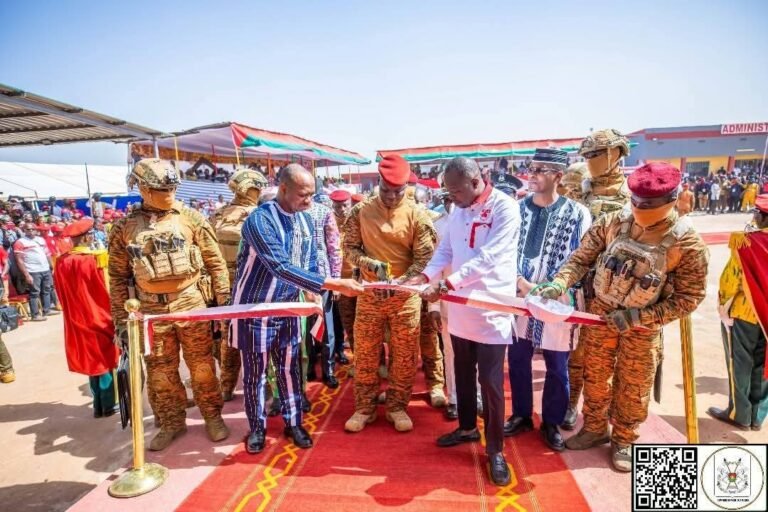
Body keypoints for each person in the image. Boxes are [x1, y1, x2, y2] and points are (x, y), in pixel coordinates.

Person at [534, 162, 709, 472]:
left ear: (671, 200)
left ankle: (625, 439)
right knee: (596, 376)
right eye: (637, 202)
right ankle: (595, 428)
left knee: (633, 384)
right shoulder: (613, 222)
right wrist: (560, 282)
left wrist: (641, 316)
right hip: (601, 316)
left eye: (650, 204)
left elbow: (689, 298)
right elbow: (581, 257)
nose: (641, 208)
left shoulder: (687, 243)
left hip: (643, 325)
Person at [405, 157, 520, 487]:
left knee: (492, 383)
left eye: (455, 190)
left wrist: (445, 284)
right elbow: (446, 251)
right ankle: (468, 427)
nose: (450, 196)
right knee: (463, 374)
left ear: (475, 182)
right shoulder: (457, 211)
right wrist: (424, 275)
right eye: (448, 190)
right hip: (459, 309)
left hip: (491, 308)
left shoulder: (505, 208)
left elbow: (490, 257)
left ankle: (495, 450)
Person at [232, 164, 362, 454]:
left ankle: (294, 423)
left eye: (312, 195)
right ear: (283, 189)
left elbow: (310, 261)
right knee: (255, 374)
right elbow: (279, 266)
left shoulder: (304, 218)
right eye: (303, 195)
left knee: (290, 369)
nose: (309, 202)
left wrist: (317, 292)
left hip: (290, 307)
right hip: (257, 309)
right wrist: (333, 284)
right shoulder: (259, 221)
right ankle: (257, 428)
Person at [109, 159, 232, 451]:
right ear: (141, 188)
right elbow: (117, 276)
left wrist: (224, 303)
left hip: (191, 304)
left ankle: (212, 417)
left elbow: (216, 265)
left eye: (171, 188)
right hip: (151, 312)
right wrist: (120, 321)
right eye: (160, 188)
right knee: (161, 374)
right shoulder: (125, 227)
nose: (167, 193)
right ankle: (172, 423)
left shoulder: (192, 218)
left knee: (202, 367)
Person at [342, 155, 436, 434]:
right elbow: (349, 248)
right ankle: (364, 408)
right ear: (378, 184)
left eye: (399, 191)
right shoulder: (361, 211)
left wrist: (402, 280)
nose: (392, 197)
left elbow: (425, 258)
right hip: (370, 295)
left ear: (407, 187)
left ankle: (397, 406)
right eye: (386, 191)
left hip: (405, 296)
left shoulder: (417, 214)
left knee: (404, 355)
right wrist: (368, 264)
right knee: (366, 353)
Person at [505, 149, 591, 452]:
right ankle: (521, 415)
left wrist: (551, 287)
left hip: (559, 299)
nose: (533, 173)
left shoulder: (578, 213)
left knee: (557, 364)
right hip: (519, 296)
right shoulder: (516, 209)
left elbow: (580, 257)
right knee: (517, 358)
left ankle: (552, 422)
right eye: (532, 167)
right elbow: (506, 251)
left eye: (541, 169)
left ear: (558, 175)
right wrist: (520, 282)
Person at [564, 129, 633, 431]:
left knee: (618, 360)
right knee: (576, 352)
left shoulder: (633, 196)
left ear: (616, 154)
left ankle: (612, 417)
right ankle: (570, 403)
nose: (589, 161)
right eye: (587, 156)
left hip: (621, 289)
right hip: (583, 282)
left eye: (595, 154)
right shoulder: (581, 191)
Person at [709, 194, 768, 431]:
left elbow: (731, 280)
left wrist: (723, 307)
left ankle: (739, 414)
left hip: (745, 313)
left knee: (740, 362)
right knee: (764, 366)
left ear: (762, 216)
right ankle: (757, 416)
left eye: (756, 212)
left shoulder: (745, 242)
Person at [211, 168, 268, 401]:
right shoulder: (258, 214)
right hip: (241, 283)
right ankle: (239, 384)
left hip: (235, 282)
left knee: (232, 337)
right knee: (241, 337)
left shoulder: (219, 215)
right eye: (257, 188)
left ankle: (231, 386)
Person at [54, 218, 120, 418]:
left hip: (75, 318)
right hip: (98, 315)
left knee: (92, 360)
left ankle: (98, 404)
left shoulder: (61, 262)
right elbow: (108, 291)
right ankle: (109, 403)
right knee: (106, 359)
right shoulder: (96, 259)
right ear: (88, 236)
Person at [305, 196, 343, 388]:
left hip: (323, 276)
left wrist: (336, 280)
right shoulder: (289, 211)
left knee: (327, 326)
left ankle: (328, 370)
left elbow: (334, 247)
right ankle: (309, 367)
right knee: (305, 328)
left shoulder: (323, 212)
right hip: (299, 278)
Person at [329, 189, 356, 365]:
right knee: (349, 324)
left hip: (361, 280)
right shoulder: (328, 223)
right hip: (342, 283)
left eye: (345, 205)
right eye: (338, 206)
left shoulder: (358, 221)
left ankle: (378, 363)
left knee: (366, 324)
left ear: (350, 204)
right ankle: (359, 360)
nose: (342, 210)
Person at [13, 224, 59, 322]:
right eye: (28, 229)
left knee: (47, 289)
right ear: (24, 230)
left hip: (45, 269)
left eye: (33, 229)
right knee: (34, 293)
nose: (31, 231)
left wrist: (51, 266)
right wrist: (26, 274)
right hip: (33, 270)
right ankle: (35, 315)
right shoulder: (20, 242)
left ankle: (47, 310)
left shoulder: (41, 240)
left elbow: (47, 254)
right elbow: (19, 260)